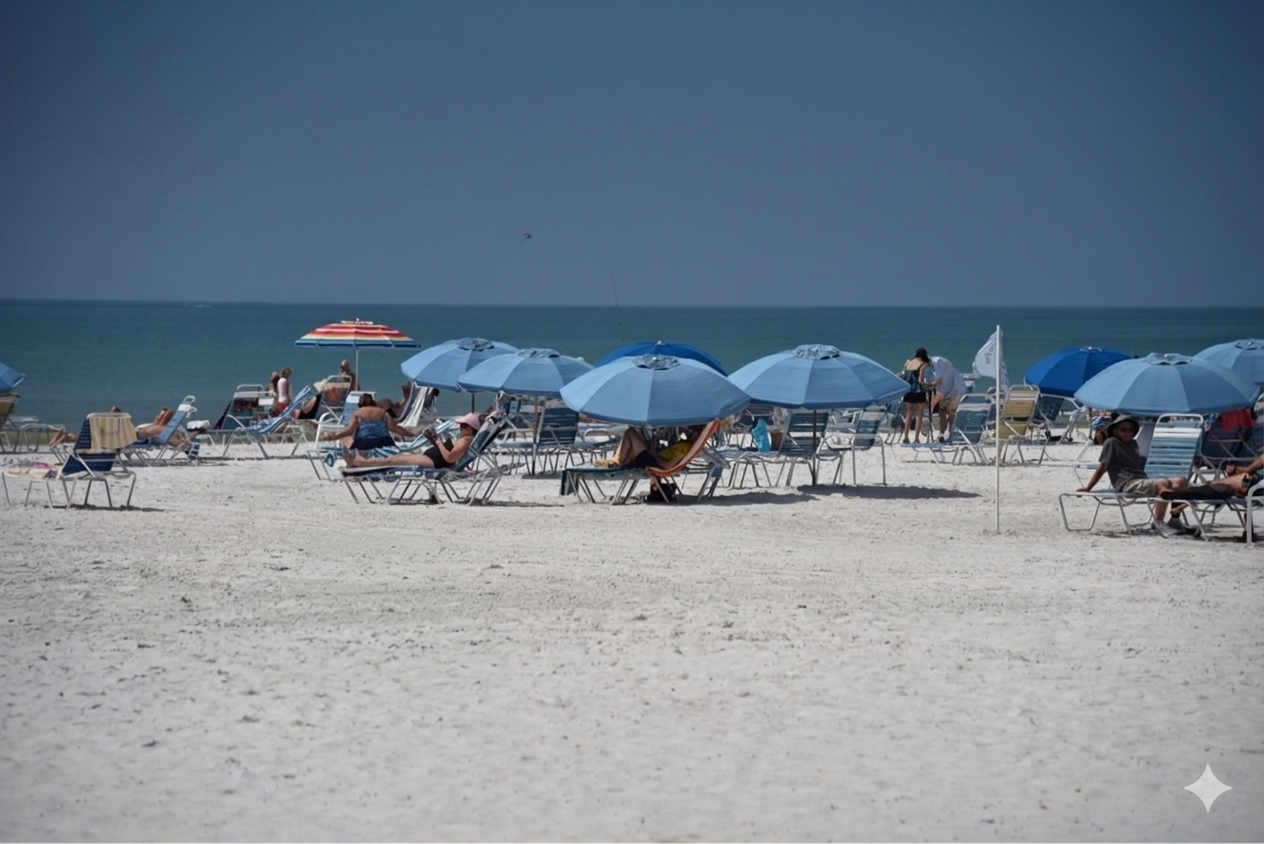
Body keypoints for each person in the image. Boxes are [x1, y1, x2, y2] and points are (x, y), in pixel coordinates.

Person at [1076, 414, 1192, 536]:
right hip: (1126, 483)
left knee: (1181, 481)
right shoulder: (1111, 442)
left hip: (1140, 479)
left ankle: (1175, 519)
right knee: (1163, 483)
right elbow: (1102, 467)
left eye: (1131, 430)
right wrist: (1088, 487)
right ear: (1115, 430)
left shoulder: (1133, 444)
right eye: (1123, 430)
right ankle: (1158, 522)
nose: (1128, 433)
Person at [343, 412, 482, 469]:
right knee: (395, 458)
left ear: (471, 429)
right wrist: (435, 441)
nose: (461, 426)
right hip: (431, 457)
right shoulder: (464, 438)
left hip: (434, 462)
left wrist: (437, 440)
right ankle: (360, 461)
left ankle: (358, 462)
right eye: (461, 424)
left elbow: (450, 458)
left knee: (393, 460)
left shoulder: (466, 440)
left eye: (464, 425)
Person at [321, 392, 416, 453]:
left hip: (364, 443)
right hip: (384, 442)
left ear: (360, 404)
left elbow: (349, 431)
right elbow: (396, 429)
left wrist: (333, 436)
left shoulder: (357, 413)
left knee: (352, 452)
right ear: (373, 402)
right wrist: (411, 434)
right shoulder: (383, 413)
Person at [929, 355, 967, 443]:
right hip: (945, 391)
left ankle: (950, 433)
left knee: (951, 412)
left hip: (955, 390)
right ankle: (942, 433)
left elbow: (939, 380)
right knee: (942, 412)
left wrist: (930, 386)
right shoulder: (933, 365)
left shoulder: (937, 362)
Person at [899, 349, 934, 444]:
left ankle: (906, 437)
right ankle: (916, 439)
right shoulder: (923, 364)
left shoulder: (908, 363)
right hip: (919, 392)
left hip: (908, 391)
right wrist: (927, 386)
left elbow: (903, 375)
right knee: (919, 415)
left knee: (909, 414)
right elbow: (920, 380)